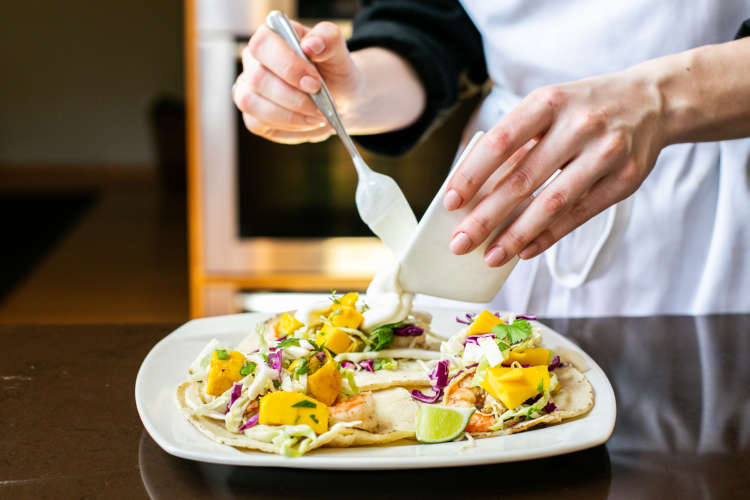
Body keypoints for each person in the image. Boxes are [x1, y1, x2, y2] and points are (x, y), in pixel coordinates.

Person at [233, 1, 750, 317]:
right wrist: (352, 90)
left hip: (711, 194)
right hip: (502, 195)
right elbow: (433, 25)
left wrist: (656, 101)